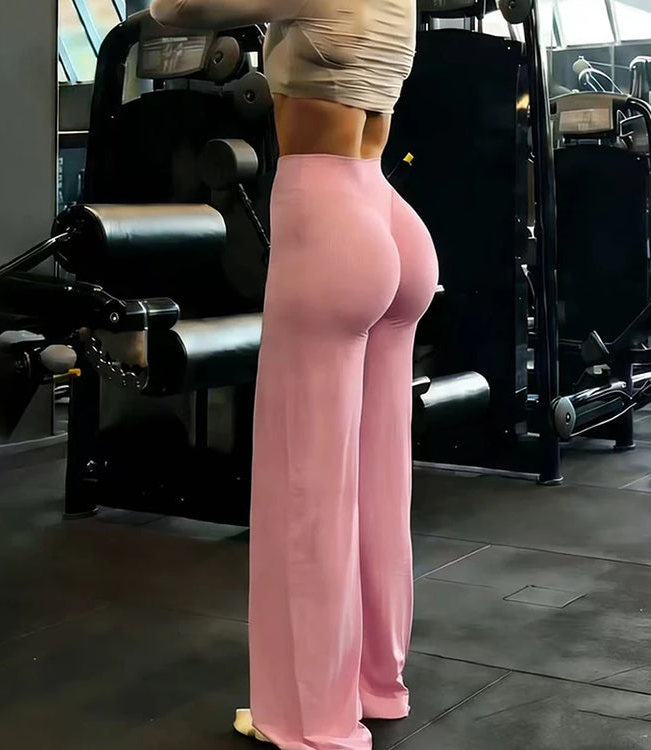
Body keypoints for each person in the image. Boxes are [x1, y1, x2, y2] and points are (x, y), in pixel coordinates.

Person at [150, 1, 440, 748]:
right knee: (378, 478)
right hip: (387, 213)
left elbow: (173, 8)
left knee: (305, 485)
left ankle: (313, 722)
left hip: (329, 217)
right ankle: (376, 684)